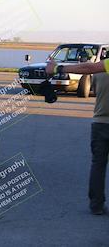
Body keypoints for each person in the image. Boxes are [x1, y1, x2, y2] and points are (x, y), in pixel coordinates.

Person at [46, 58, 109, 215]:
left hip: (100, 122)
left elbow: (88, 69)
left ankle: (96, 205)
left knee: (98, 165)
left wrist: (57, 68)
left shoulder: (99, 72)